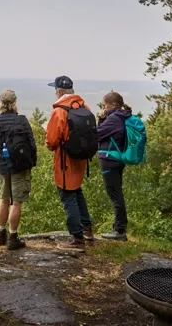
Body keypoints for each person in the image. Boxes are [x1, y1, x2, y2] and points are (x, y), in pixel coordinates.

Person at [44, 75, 95, 249]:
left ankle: (77, 238)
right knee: (76, 192)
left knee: (68, 196)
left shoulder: (60, 111)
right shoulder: (84, 106)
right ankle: (87, 228)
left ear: (59, 91)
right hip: (81, 159)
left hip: (65, 160)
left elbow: (51, 141)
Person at [0, 89, 36, 250]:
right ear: (14, 103)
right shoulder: (21, 120)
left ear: (0, 103)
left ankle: (0, 235)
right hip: (19, 166)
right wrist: (31, 162)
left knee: (4, 199)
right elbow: (31, 142)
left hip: (2, 164)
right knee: (16, 202)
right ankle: (13, 237)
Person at [97, 91, 131, 241]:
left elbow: (97, 135)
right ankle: (118, 228)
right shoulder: (123, 116)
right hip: (118, 158)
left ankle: (119, 230)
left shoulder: (113, 119)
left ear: (112, 105)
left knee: (115, 193)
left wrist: (101, 118)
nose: (104, 108)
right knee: (117, 192)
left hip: (109, 159)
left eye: (105, 105)